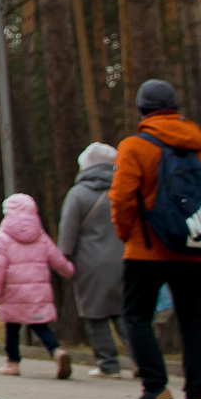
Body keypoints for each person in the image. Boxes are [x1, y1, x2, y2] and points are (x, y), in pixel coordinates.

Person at [111, 78, 201, 399]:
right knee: (194, 322)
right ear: (174, 107)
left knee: (136, 315)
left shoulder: (135, 146)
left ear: (142, 110)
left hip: (147, 249)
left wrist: (127, 235)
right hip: (194, 248)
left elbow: (121, 198)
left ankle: (155, 388)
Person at [0, 193, 73, 378]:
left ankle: (12, 362)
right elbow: (58, 260)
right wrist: (69, 271)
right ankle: (56, 351)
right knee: (40, 325)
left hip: (12, 293)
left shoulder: (3, 239)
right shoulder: (41, 237)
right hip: (37, 292)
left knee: (12, 327)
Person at [58, 143, 128, 377]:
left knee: (95, 314)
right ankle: (142, 361)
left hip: (90, 262)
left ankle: (108, 365)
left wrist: (64, 257)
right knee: (123, 313)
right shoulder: (122, 189)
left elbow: (68, 232)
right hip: (124, 258)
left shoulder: (78, 194)